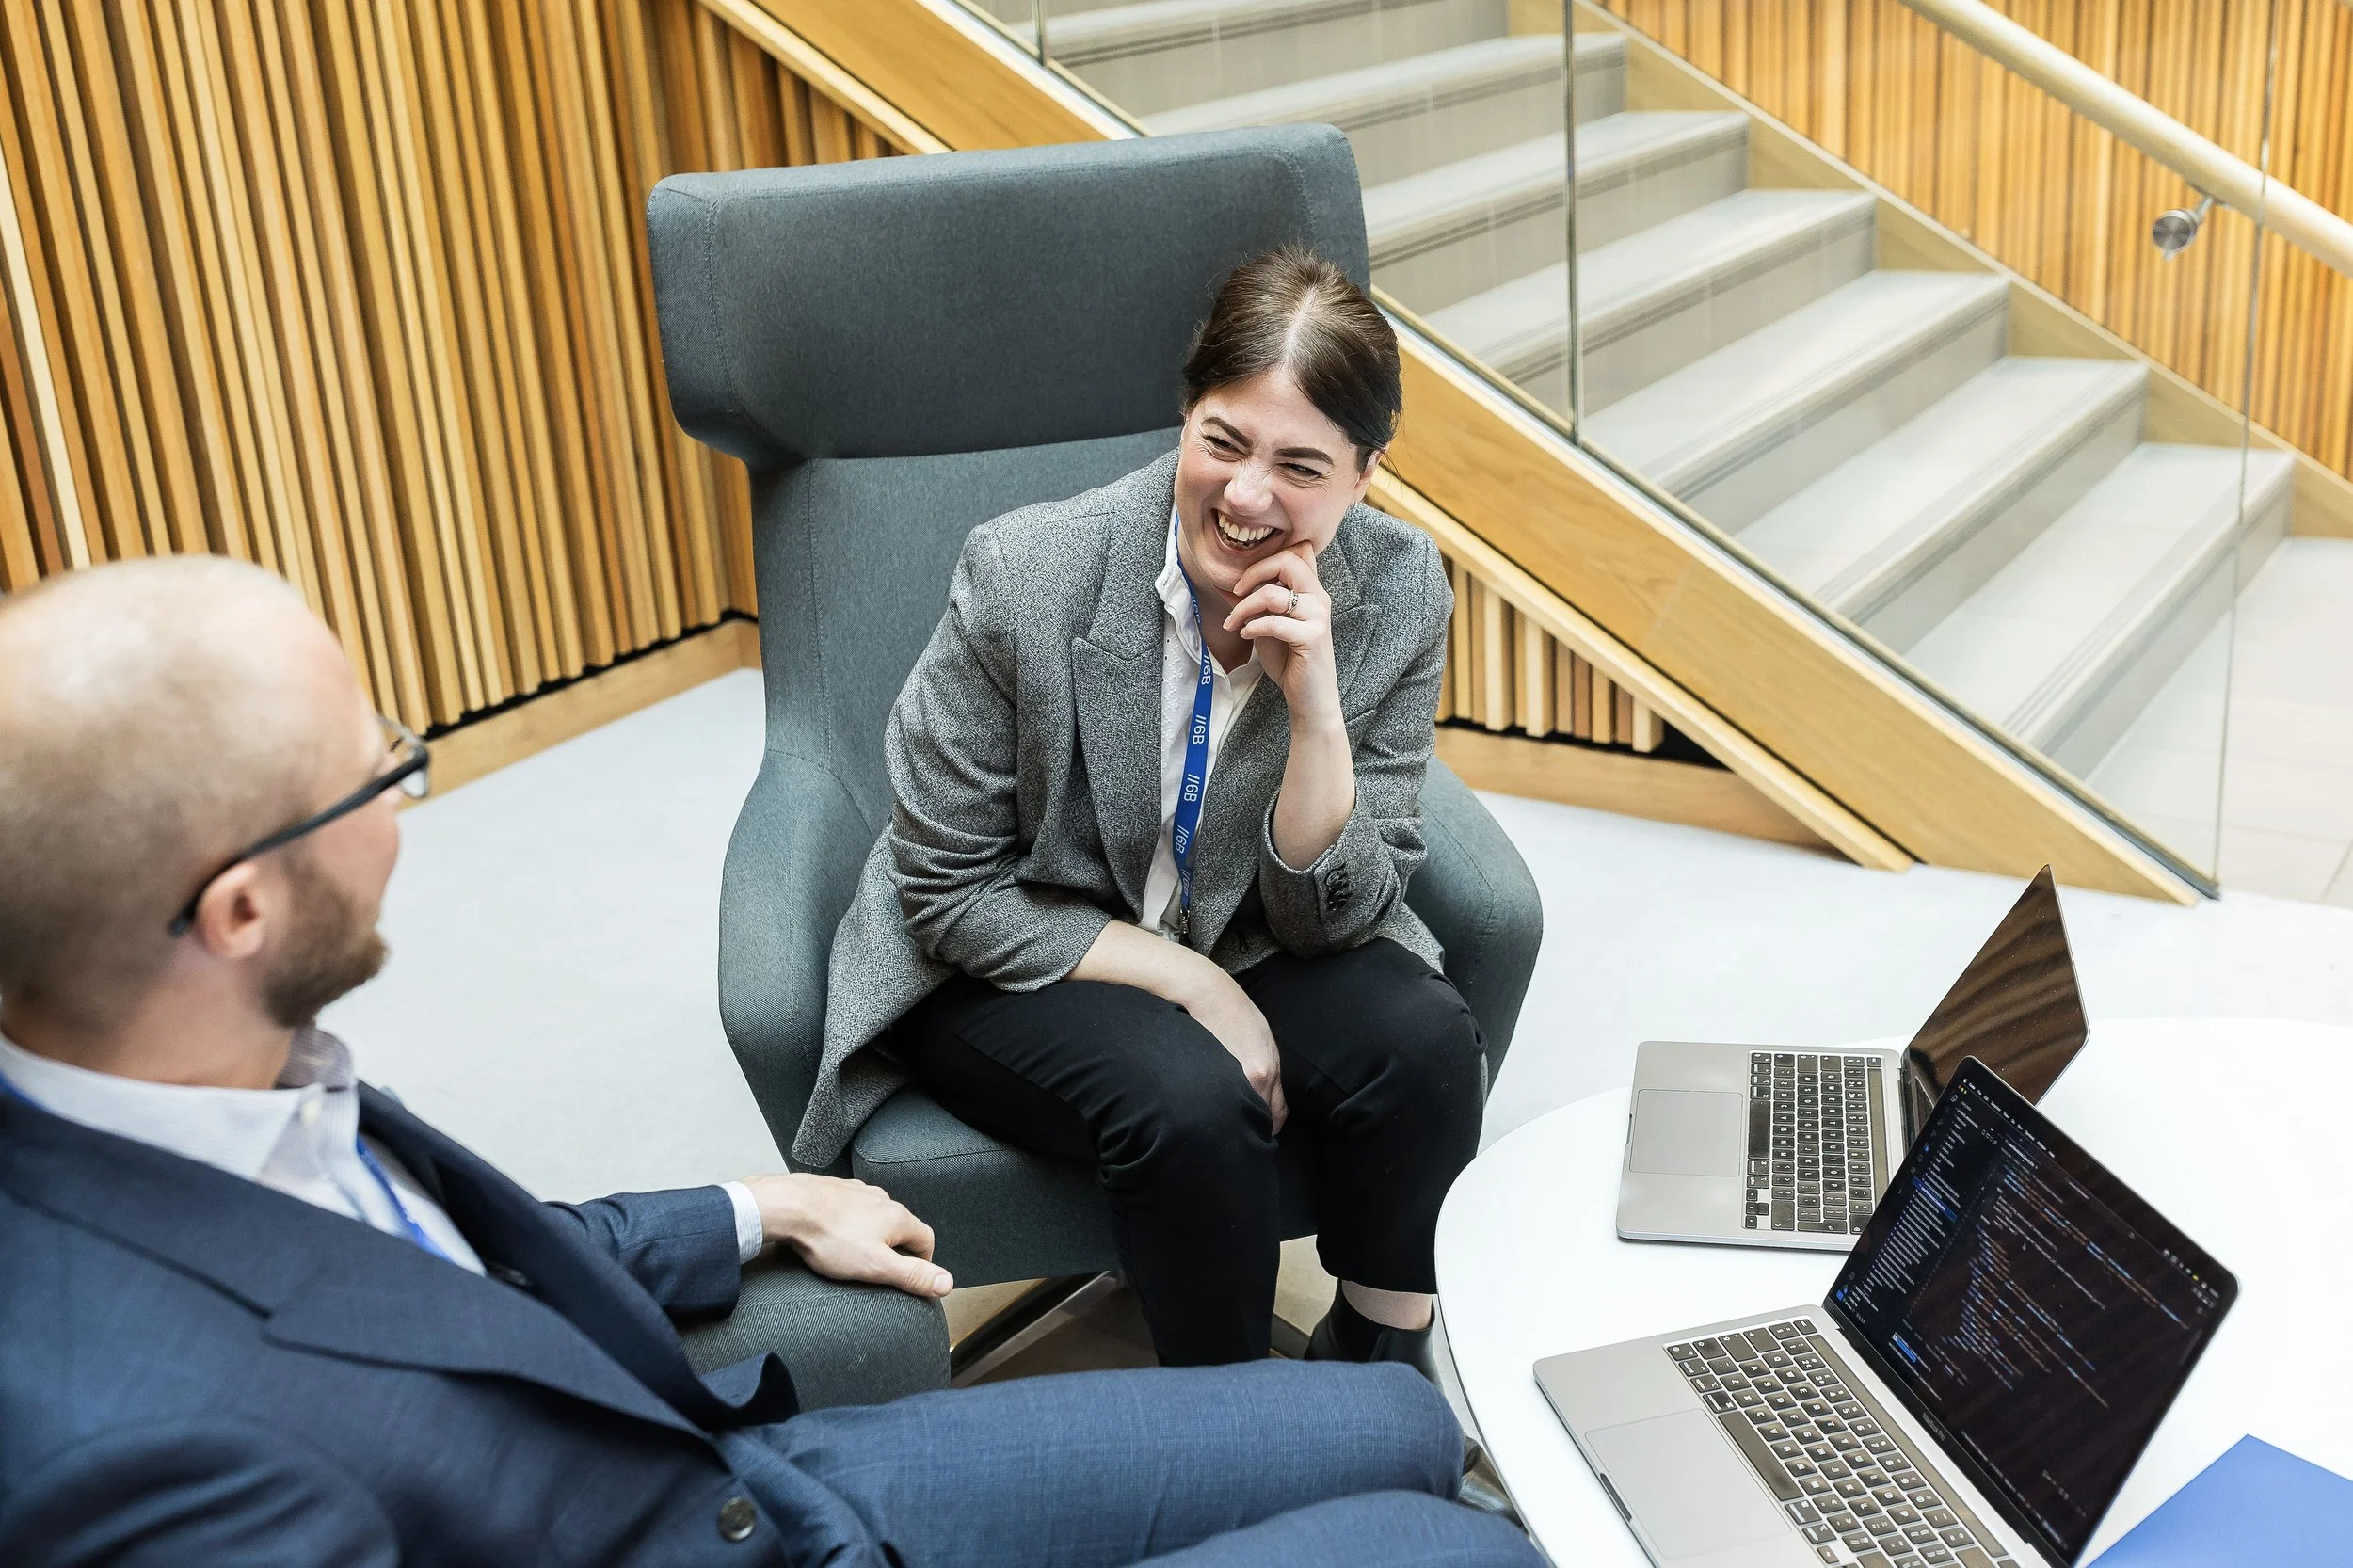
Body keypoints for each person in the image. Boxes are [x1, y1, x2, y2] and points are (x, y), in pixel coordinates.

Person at [0, 556, 1542, 1567]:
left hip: (781, 1473)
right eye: (381, 769)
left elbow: (440, 1282)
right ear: (241, 908)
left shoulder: (197, 1084)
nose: (411, 802)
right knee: (1467, 1553)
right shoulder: (154, 1472)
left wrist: (754, 1205)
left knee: (1406, 1430)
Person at [809, 248, 1485, 1371]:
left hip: (1241, 918)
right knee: (1188, 1094)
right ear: (1185, 415)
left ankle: (1377, 1360)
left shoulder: (1399, 588)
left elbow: (1339, 916)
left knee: (1422, 1041)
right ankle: (1231, 1425)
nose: (1249, 495)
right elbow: (947, 891)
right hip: (1011, 944)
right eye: (1222, 442)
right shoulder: (1027, 572)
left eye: (1302, 466)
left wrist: (1314, 715)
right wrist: (1194, 983)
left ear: (1366, 475)